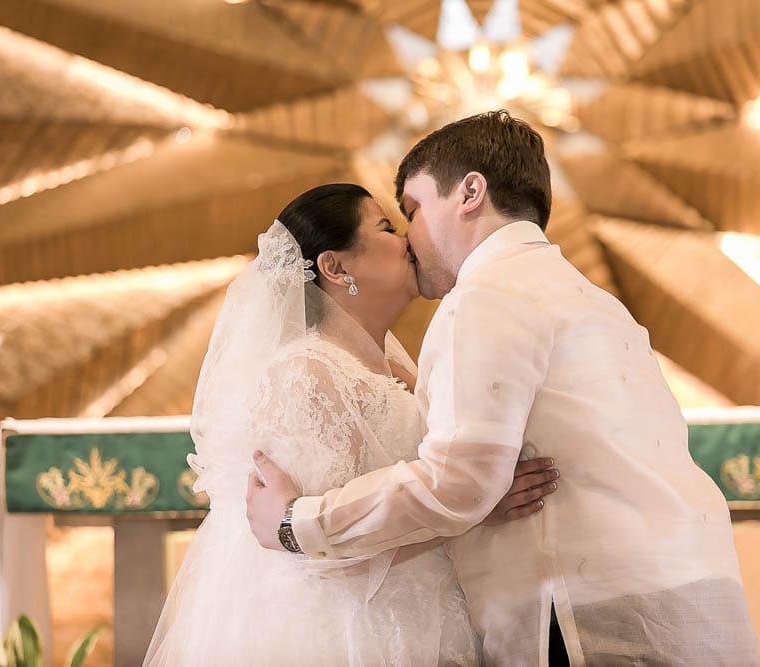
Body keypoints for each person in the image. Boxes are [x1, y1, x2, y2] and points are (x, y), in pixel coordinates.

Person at [246, 111, 760, 666]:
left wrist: (297, 525)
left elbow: (459, 483)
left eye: (413, 211)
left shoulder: (487, 294)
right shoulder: (589, 298)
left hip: (595, 619)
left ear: (470, 192)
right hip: (683, 601)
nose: (411, 239)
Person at [145, 183, 558, 666]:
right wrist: (473, 510)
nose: (406, 237)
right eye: (385, 226)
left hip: (432, 616)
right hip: (356, 633)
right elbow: (322, 557)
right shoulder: (305, 374)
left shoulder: (396, 367)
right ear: (336, 267)